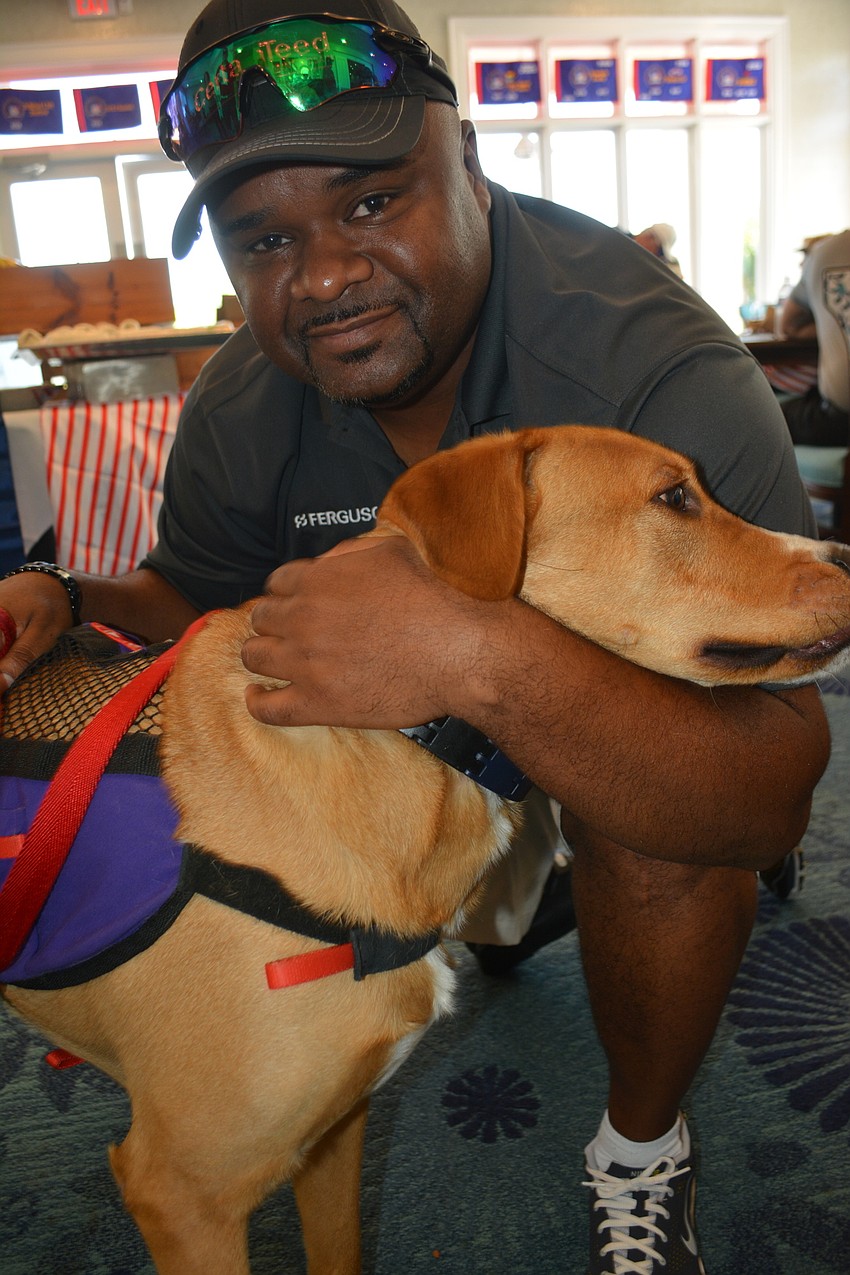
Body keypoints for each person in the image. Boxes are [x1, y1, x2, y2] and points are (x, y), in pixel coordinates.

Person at [0, 2, 829, 1270]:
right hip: (424, 774)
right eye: (265, 238)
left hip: (630, 754)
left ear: (472, 167)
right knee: (451, 902)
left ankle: (641, 1151)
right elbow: (191, 595)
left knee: (661, 826)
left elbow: (760, 800)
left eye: (375, 201)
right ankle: (499, 908)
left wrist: (469, 652)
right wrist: (65, 592)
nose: (323, 273)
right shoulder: (246, 394)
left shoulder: (648, 364)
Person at [778, 228, 850, 446]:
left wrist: (834, 324)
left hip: (840, 419)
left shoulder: (825, 253)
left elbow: (789, 326)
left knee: (764, 417)